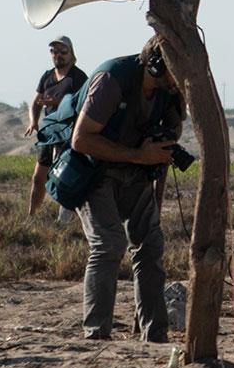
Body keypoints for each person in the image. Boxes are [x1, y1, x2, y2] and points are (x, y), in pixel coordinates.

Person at [70, 34, 184, 342]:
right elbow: (81, 140)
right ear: (158, 66)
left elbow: (176, 125)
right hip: (95, 170)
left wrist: (164, 141)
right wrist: (139, 154)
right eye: (177, 70)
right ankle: (96, 335)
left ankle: (155, 335)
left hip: (137, 170)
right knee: (109, 245)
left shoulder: (169, 90)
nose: (181, 78)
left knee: (150, 247)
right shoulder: (112, 80)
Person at [24, 36, 86, 217]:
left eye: (63, 52)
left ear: (71, 54)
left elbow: (82, 106)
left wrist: (59, 103)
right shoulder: (47, 76)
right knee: (38, 177)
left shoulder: (78, 77)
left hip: (68, 134)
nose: (58, 55)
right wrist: (33, 121)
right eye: (54, 51)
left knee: (65, 178)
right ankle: (32, 215)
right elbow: (35, 102)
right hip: (49, 133)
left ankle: (65, 221)